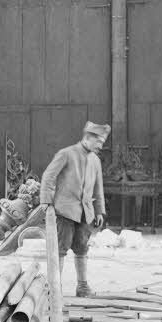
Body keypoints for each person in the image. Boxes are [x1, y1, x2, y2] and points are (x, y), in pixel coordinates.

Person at [39, 121, 109, 297]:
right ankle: (55, 288)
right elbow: (48, 176)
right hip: (65, 211)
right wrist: (46, 201)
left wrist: (99, 211)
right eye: (98, 142)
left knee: (82, 249)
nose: (100, 146)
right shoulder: (66, 154)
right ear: (87, 138)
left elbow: (98, 188)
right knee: (60, 250)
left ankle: (83, 286)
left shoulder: (96, 161)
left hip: (86, 213)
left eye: (102, 143)